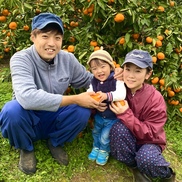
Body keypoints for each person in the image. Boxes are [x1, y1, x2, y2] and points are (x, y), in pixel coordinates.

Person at [0, 12, 123, 175]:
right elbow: (27, 97)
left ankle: (55, 141)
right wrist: (75, 99)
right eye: (45, 36)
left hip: (54, 114)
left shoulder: (67, 59)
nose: (52, 43)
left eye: (57, 38)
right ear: (33, 36)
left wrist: (114, 77)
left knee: (82, 111)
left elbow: (89, 80)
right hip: (28, 116)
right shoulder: (21, 59)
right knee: (11, 111)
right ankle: (26, 147)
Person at [109, 49, 176, 182]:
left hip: (149, 141)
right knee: (117, 130)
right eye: (128, 69)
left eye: (138, 71)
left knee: (146, 157)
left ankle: (168, 176)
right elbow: (100, 79)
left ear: (148, 74)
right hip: (129, 136)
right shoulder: (120, 87)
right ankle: (135, 167)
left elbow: (150, 133)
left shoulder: (155, 99)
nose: (131, 76)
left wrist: (126, 114)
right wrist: (113, 74)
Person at [86, 49, 126, 165]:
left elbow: (121, 94)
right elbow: (90, 90)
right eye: (95, 69)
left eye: (103, 66)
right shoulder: (94, 81)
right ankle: (96, 147)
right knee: (96, 132)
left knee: (105, 136)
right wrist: (92, 98)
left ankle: (104, 150)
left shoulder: (116, 80)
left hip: (112, 118)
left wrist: (107, 96)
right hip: (99, 116)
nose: (99, 71)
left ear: (110, 66)